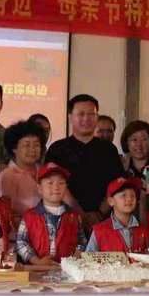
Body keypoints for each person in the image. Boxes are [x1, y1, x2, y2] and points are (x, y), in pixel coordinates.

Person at [46, 94, 124, 232]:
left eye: (91, 114)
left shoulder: (109, 149)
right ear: (70, 117)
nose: (86, 118)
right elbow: (53, 184)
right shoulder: (57, 149)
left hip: (104, 221)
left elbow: (117, 183)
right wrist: (79, 213)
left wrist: (99, 214)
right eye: (81, 114)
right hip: (65, 221)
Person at [15, 163, 87, 265]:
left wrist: (73, 260)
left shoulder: (74, 216)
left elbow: (82, 242)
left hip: (68, 270)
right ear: (40, 189)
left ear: (66, 187)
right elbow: (21, 243)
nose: (56, 187)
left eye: (61, 183)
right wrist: (37, 262)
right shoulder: (29, 216)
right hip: (38, 271)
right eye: (50, 183)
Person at [0, 120, 49, 227]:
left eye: (36, 145)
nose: (32, 149)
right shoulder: (7, 175)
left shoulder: (47, 172)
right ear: (14, 148)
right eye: (26, 145)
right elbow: (4, 213)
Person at [85, 177, 149, 253]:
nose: (129, 199)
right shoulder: (99, 232)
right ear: (111, 201)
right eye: (123, 195)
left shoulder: (144, 231)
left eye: (132, 195)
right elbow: (88, 258)